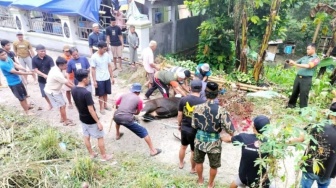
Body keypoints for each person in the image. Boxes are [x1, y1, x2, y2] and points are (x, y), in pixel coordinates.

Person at [288, 91, 336, 188]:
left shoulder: (318, 125)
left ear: (330, 114)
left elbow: (300, 138)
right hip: (329, 171)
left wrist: (285, 142)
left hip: (310, 167)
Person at [191, 82, 235, 188]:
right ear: (217, 94)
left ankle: (200, 180)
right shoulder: (221, 110)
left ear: (205, 93)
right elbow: (231, 130)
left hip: (199, 140)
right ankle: (210, 184)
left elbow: (193, 125)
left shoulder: (196, 108)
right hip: (214, 143)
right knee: (214, 165)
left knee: (199, 162)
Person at [71, 69, 112, 161]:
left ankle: (91, 154)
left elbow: (76, 104)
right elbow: (91, 110)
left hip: (82, 118)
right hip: (91, 120)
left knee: (86, 136)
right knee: (100, 137)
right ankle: (104, 156)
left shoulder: (73, 89)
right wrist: (98, 122)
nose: (89, 79)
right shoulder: (86, 93)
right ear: (85, 79)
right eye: (88, 77)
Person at [222, 115, 272, 188]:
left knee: (236, 182)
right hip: (260, 178)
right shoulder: (269, 142)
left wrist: (221, 137)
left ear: (253, 127)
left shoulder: (244, 137)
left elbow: (228, 139)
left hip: (244, 175)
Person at [113, 83, 162, 156]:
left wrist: (120, 108)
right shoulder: (139, 100)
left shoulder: (123, 95)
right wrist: (133, 111)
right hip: (127, 118)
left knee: (118, 121)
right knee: (144, 131)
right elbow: (137, 113)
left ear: (132, 90)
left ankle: (117, 134)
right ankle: (153, 150)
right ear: (138, 92)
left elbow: (116, 104)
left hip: (116, 116)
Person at [177, 80, 206, 173]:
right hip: (195, 131)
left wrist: (179, 124)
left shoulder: (183, 99)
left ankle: (181, 163)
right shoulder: (203, 102)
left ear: (190, 88)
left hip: (184, 128)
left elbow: (179, 115)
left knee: (183, 147)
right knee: (193, 151)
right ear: (201, 89)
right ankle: (192, 169)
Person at [0, 48, 34, 115]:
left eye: (5, 54)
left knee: (24, 95)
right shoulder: (2, 64)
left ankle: (27, 106)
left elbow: (15, 65)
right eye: (2, 55)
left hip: (18, 80)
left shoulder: (8, 58)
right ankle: (27, 111)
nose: (5, 55)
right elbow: (15, 71)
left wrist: (24, 69)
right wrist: (28, 73)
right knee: (21, 98)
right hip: (13, 83)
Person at [286, 43, 320, 109]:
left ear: (313, 49)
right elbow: (294, 63)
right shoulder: (304, 57)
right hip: (298, 77)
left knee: (304, 94)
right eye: (307, 49)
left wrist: (295, 64)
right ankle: (290, 106)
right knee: (294, 92)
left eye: (308, 49)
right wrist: (290, 62)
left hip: (306, 79)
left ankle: (303, 109)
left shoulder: (316, 59)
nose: (307, 50)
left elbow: (308, 66)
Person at [44, 57, 75, 126]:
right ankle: (65, 121)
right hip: (52, 91)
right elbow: (67, 83)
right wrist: (77, 89)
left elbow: (67, 79)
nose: (66, 66)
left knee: (63, 104)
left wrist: (74, 86)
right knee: (62, 105)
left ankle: (63, 118)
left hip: (56, 90)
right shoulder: (57, 73)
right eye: (65, 65)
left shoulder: (59, 68)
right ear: (60, 65)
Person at [90, 41, 115, 115]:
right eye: (104, 49)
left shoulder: (106, 55)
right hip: (99, 79)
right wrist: (94, 81)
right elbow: (93, 69)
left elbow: (109, 66)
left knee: (106, 93)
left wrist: (112, 77)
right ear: (99, 48)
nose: (105, 50)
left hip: (106, 77)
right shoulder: (94, 57)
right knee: (100, 94)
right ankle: (101, 108)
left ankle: (105, 105)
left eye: (106, 49)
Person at [32, 44, 54, 110]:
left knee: (53, 91)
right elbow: (35, 69)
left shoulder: (49, 58)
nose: (43, 52)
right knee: (44, 93)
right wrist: (43, 75)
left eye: (44, 51)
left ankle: (55, 102)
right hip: (41, 79)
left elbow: (53, 68)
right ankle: (50, 104)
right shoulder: (34, 59)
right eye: (41, 51)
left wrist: (49, 75)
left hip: (50, 78)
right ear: (37, 51)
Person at [61, 45, 73, 109]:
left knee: (75, 90)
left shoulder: (72, 56)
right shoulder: (62, 58)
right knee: (68, 90)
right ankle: (70, 102)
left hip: (74, 75)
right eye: (66, 51)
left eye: (69, 51)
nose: (68, 52)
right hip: (66, 75)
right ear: (63, 51)